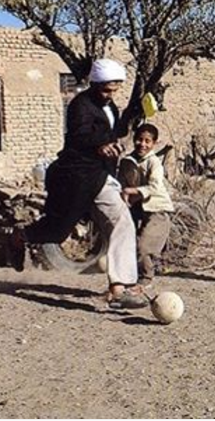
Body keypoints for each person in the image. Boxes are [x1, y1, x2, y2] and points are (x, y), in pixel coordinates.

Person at [15, 59, 147, 309]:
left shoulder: (111, 108)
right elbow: (80, 134)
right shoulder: (80, 106)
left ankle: (120, 288)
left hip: (100, 177)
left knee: (122, 222)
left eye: (115, 90)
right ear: (95, 84)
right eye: (106, 90)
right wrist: (100, 145)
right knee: (56, 230)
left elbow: (111, 134)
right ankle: (20, 237)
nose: (110, 95)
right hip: (75, 178)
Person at [118, 124, 175, 288]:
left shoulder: (154, 163)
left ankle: (146, 279)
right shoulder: (128, 162)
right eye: (139, 140)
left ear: (154, 143)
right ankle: (131, 277)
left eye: (147, 141)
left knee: (143, 247)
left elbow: (155, 187)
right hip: (138, 210)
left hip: (157, 210)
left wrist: (133, 190)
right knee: (129, 244)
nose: (142, 144)